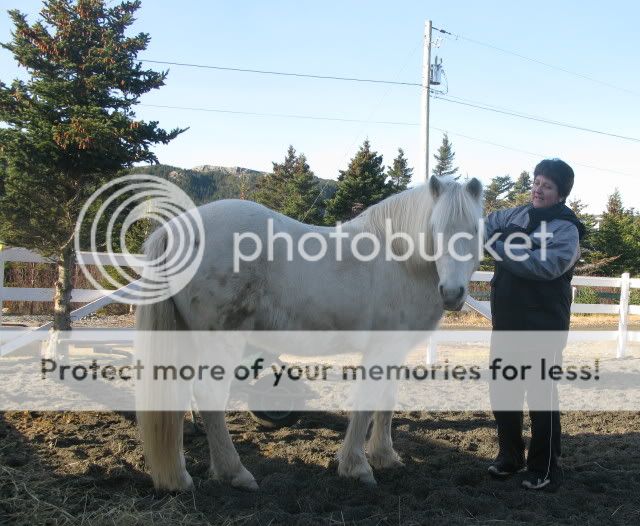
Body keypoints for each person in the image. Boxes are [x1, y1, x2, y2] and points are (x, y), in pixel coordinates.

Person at [484, 158, 586, 490]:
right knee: (503, 390)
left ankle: (544, 466)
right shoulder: (516, 213)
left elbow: (543, 267)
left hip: (543, 323)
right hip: (508, 319)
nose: (538, 189)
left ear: (561, 194)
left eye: (547, 185)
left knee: (541, 395)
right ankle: (509, 457)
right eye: (536, 182)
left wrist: (496, 247)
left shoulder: (566, 229)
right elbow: (484, 225)